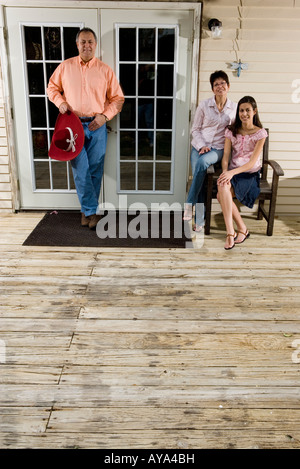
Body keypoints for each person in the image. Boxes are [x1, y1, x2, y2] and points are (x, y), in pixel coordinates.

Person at [47, 28, 124, 229]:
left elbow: (118, 99)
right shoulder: (65, 67)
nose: (86, 45)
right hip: (73, 126)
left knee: (95, 169)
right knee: (81, 169)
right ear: (77, 44)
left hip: (97, 126)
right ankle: (91, 211)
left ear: (95, 44)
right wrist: (60, 103)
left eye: (90, 42)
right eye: (83, 42)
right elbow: (52, 88)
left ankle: (85, 212)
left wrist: (104, 116)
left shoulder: (105, 70)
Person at [183, 71, 237, 232]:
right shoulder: (204, 105)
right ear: (212, 89)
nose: (220, 86)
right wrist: (201, 146)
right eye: (216, 84)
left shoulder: (234, 108)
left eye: (222, 83)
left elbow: (236, 131)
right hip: (199, 147)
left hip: (219, 148)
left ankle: (189, 203)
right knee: (201, 178)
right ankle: (199, 221)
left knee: (201, 164)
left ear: (228, 86)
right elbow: (196, 129)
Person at [217, 96, 268, 250]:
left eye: (247, 110)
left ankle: (239, 230)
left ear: (254, 111)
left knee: (220, 195)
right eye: (241, 110)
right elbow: (226, 156)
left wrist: (232, 173)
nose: (244, 113)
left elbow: (252, 163)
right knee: (222, 186)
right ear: (238, 112)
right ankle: (232, 231)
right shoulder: (231, 130)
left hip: (249, 174)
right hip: (232, 171)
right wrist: (226, 172)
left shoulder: (260, 133)